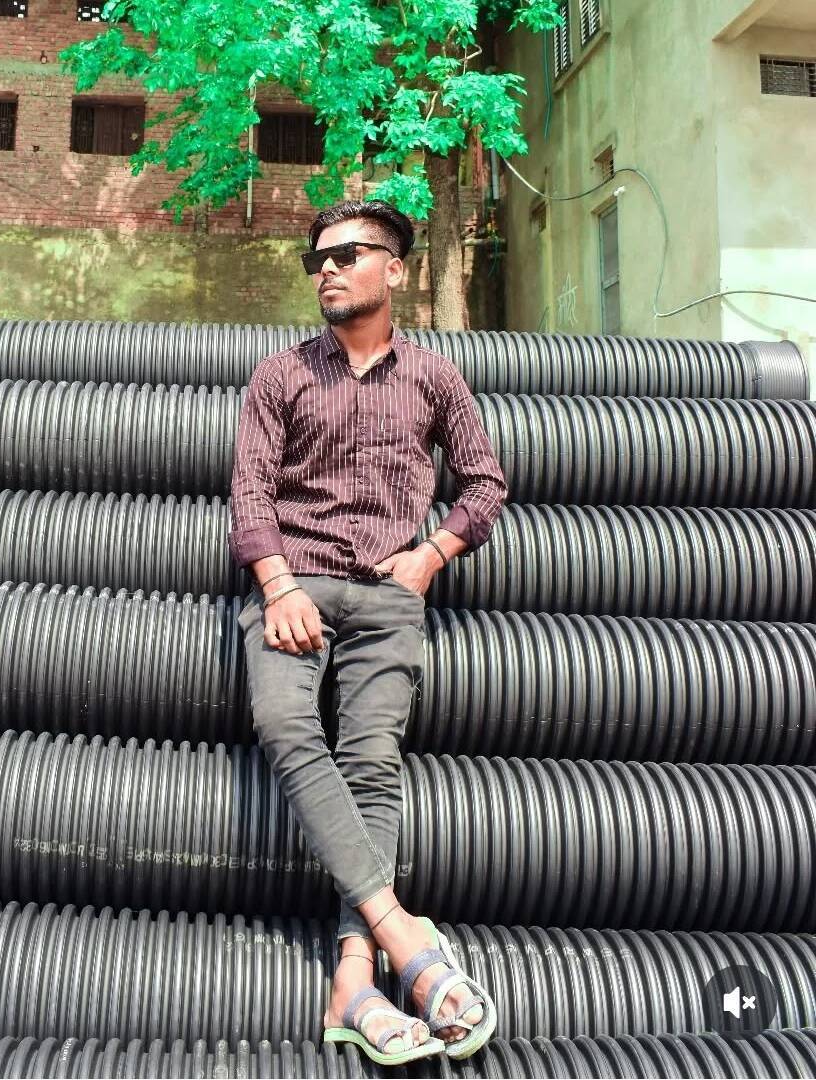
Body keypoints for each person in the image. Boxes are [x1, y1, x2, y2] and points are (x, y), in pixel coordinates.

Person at [229, 200, 509, 1066]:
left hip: (388, 594)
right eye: (316, 259)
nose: (327, 268)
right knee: (284, 723)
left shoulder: (434, 378)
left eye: (348, 254)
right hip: (295, 587)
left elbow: (485, 484)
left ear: (395, 269)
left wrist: (431, 555)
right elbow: (250, 493)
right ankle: (398, 932)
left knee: (373, 761)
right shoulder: (281, 375)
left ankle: (353, 977)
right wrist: (278, 585)